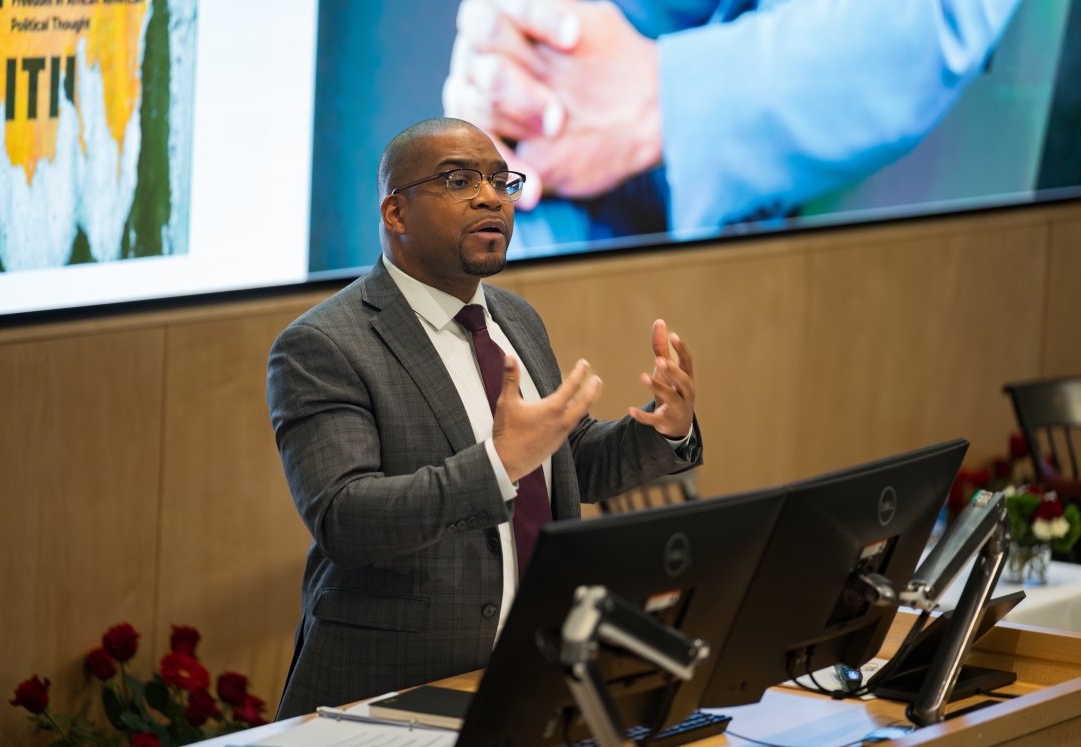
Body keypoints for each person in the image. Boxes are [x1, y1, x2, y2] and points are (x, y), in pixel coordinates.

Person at [267, 117, 702, 717]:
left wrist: (663, 427)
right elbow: (347, 519)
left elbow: (570, 466)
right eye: (458, 179)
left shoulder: (515, 319)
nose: (491, 196)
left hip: (527, 669)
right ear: (395, 213)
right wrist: (499, 465)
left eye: (502, 180)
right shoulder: (324, 345)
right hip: (392, 688)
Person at [444, 0, 1023, 242]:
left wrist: (663, 98)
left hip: (869, 258)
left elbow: (935, 20)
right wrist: (516, 52)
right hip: (562, 208)